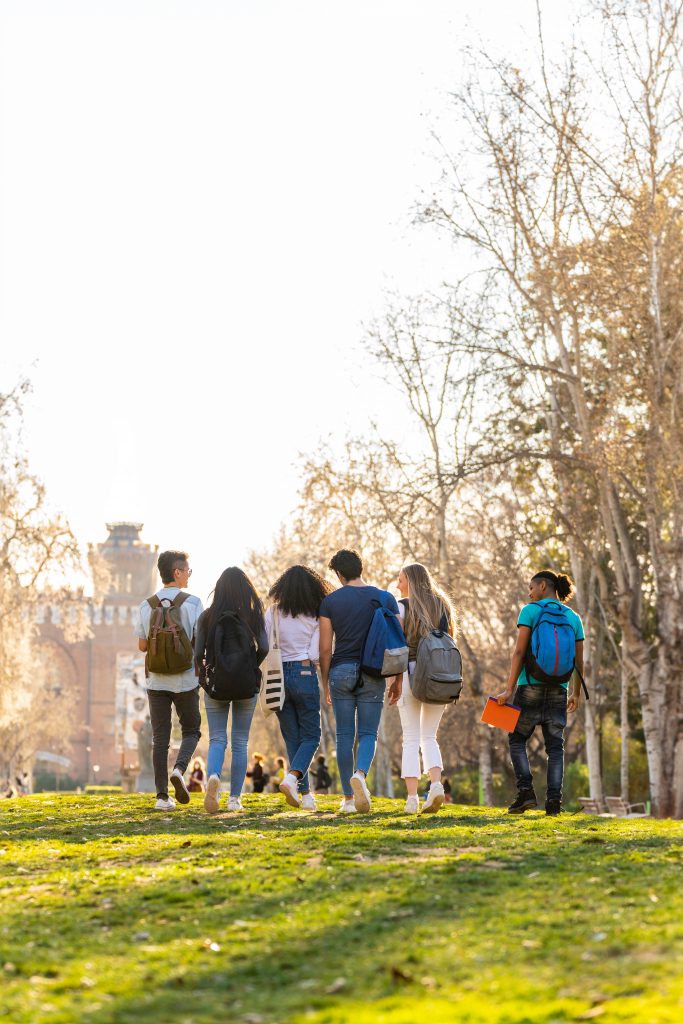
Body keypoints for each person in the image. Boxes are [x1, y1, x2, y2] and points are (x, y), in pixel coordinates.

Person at [319, 548, 402, 814]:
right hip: (372, 672)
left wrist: (325, 681)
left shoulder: (330, 602)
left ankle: (347, 800)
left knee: (344, 736)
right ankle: (361, 775)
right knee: (368, 733)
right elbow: (397, 643)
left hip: (341, 671)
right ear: (361, 568)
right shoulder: (385, 598)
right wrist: (397, 679)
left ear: (339, 574)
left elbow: (324, 649)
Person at [495, 569, 584, 816]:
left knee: (516, 740)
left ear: (543, 586)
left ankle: (526, 792)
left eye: (532, 587)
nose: (530, 592)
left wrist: (508, 689)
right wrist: (575, 693)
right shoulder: (573, 617)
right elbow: (579, 661)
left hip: (530, 686)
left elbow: (519, 653)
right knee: (555, 747)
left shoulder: (530, 611)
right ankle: (554, 803)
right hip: (559, 689)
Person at [195, 568, 268, 813]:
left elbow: (197, 655)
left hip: (216, 685)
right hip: (247, 685)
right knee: (240, 742)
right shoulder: (253, 615)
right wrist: (250, 665)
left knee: (217, 738)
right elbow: (265, 647)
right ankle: (235, 798)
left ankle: (214, 776)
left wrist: (208, 672)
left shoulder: (207, 617)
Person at [135, 550, 203, 812]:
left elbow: (142, 646)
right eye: (187, 570)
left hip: (156, 682)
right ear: (176, 572)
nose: (188, 575)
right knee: (192, 730)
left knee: (160, 738)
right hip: (186, 679)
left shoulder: (146, 605)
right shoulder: (193, 603)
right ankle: (179, 768)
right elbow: (199, 641)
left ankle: (162, 797)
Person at [266, 564, 333, 811]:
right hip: (304, 673)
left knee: (292, 736)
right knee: (312, 735)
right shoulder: (315, 615)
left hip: (277, 676)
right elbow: (317, 653)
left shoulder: (272, 613)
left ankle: (304, 795)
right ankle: (294, 779)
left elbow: (265, 644)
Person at [396, 563, 455, 814]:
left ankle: (412, 799)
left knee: (410, 737)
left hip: (410, 673)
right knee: (429, 736)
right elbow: (450, 639)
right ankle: (436, 786)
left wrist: (395, 680)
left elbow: (397, 646)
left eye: (400, 579)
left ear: (410, 580)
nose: (398, 584)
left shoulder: (402, 606)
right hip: (440, 674)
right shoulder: (443, 605)